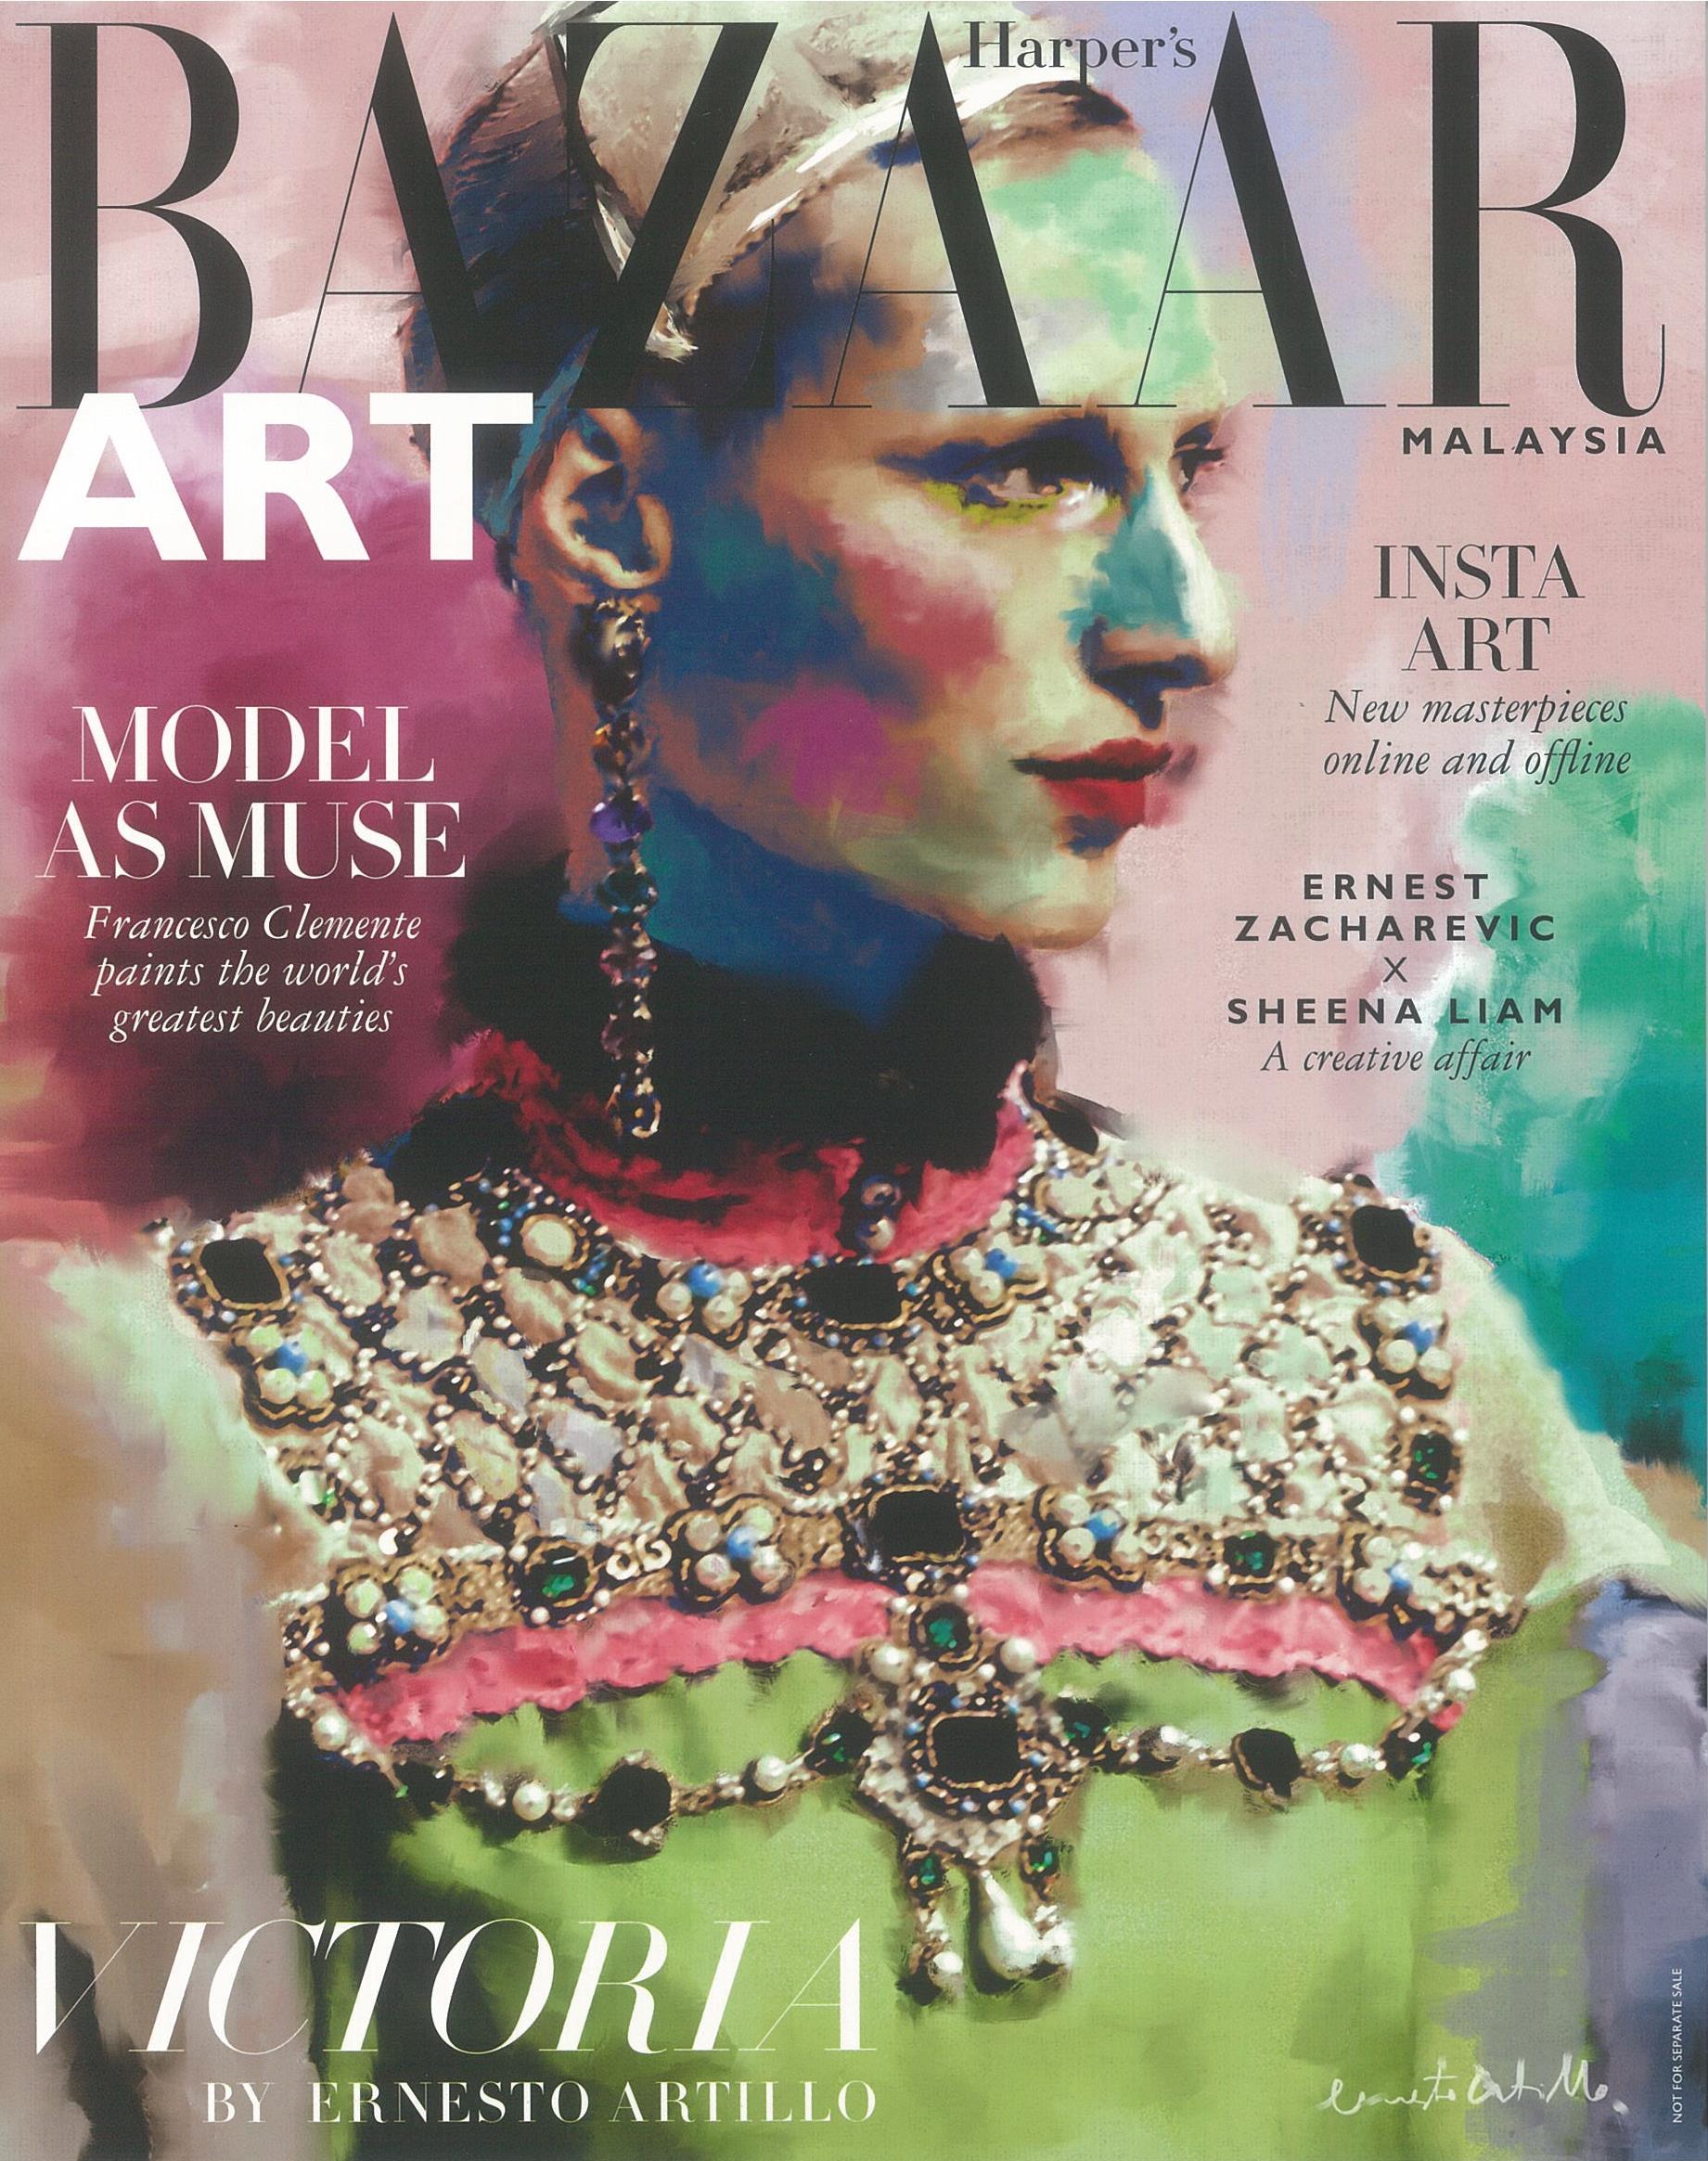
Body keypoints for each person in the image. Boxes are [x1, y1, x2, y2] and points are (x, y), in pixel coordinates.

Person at [4, 8, 1693, 2158]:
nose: (1183, 621)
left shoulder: (1412, 1367)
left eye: (1190, 466)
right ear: (612, 509)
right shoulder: (183, 1436)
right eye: (1021, 468)